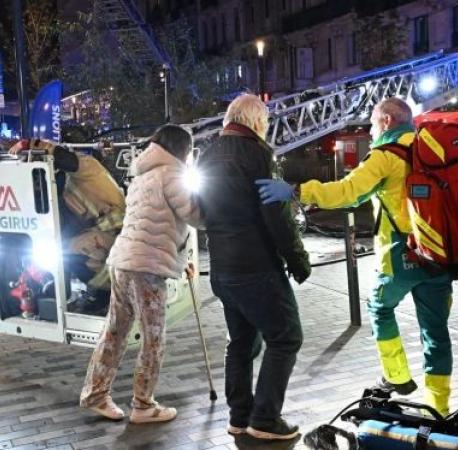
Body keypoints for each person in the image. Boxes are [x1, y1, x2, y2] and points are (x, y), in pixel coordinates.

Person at [256, 97, 454, 416]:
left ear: (387, 121)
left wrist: (296, 190)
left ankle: (396, 376)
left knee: (379, 307)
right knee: (436, 331)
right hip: (442, 253)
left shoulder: (386, 155)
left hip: (401, 256)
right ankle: (439, 406)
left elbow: (347, 192)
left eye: (373, 123)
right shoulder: (435, 150)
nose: (371, 130)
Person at [197, 94, 310, 440]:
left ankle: (239, 417)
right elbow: (276, 216)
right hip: (256, 266)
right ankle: (264, 419)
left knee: (242, 342)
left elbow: (203, 211)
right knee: (286, 336)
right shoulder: (259, 154)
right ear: (257, 122)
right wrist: (298, 260)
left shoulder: (208, 153)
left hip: (222, 268)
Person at [80, 124, 200, 423]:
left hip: (122, 261)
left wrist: (177, 255)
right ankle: (143, 406)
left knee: (115, 331)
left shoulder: (142, 176)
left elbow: (155, 224)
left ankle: (96, 394)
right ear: (182, 149)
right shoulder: (172, 175)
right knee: (153, 337)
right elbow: (197, 216)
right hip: (145, 268)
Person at [8, 136, 126, 314]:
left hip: (117, 237)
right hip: (100, 234)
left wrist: (30, 144)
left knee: (64, 249)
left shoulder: (88, 169)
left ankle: (104, 294)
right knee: (57, 243)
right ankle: (63, 287)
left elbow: (64, 157)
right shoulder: (65, 187)